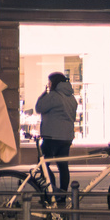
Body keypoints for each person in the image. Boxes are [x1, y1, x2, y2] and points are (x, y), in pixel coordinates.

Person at [35, 72, 78, 201]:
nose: (48, 84)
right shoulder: (71, 98)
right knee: (63, 166)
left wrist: (43, 94)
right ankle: (63, 195)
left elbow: (39, 108)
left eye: (49, 82)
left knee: (43, 164)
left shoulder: (54, 96)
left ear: (54, 83)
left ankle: (51, 191)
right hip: (66, 137)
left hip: (52, 137)